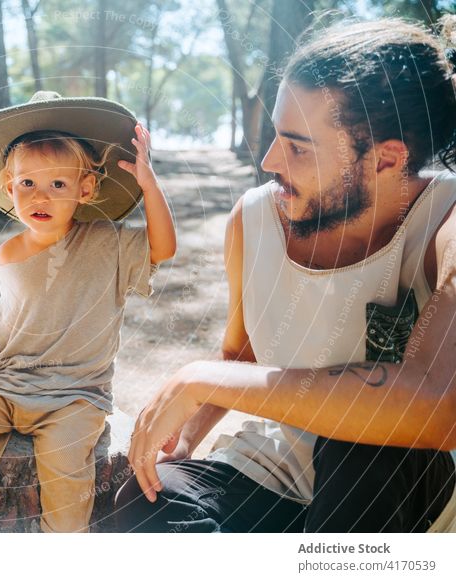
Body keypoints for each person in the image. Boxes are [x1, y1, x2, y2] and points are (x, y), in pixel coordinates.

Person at [116, 18, 456, 533]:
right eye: (276, 136)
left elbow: (440, 405)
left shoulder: (446, 222)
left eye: (298, 147)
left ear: (387, 159)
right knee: (145, 508)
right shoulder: (253, 221)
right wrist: (186, 437)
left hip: (405, 486)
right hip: (276, 468)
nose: (271, 161)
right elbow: (241, 352)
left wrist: (200, 378)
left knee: (362, 444)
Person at [0, 92, 176, 532]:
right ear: (9, 187)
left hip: (74, 391)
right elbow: (8, 309)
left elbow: (163, 248)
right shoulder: (9, 251)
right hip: (9, 380)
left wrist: (149, 185)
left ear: (85, 189)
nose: (41, 196)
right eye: (27, 183)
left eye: (57, 184)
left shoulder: (107, 241)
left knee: (66, 461)